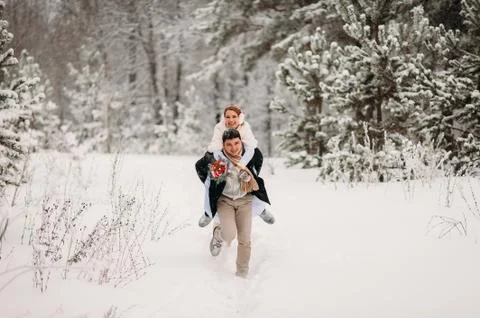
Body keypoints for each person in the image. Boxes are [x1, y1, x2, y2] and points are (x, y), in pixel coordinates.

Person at [196, 128, 270, 278]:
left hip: (245, 200)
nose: (234, 147)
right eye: (229, 144)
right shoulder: (218, 160)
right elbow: (200, 168)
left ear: (241, 142)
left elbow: (257, 171)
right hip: (225, 201)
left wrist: (249, 177)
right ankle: (218, 234)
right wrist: (212, 178)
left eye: (236, 143)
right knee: (229, 235)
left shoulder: (248, 158)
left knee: (245, 239)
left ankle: (242, 273)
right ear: (223, 145)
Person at [195, 104, 275, 227]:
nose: (231, 120)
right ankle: (209, 213)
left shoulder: (245, 127)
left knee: (252, 181)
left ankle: (261, 209)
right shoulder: (219, 127)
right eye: (227, 117)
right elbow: (216, 148)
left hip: (244, 158)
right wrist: (225, 165)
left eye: (234, 116)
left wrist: (241, 166)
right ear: (224, 118)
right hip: (221, 158)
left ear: (240, 117)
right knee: (211, 183)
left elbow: (250, 148)